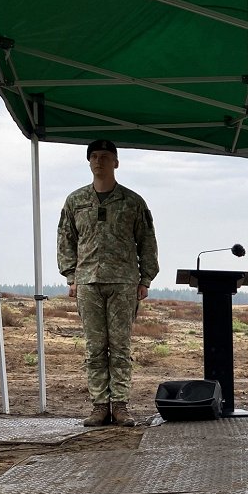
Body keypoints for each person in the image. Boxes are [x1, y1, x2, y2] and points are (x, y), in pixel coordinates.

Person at [57, 139, 159, 427]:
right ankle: (99, 405)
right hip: (88, 282)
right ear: (88, 162)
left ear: (116, 162)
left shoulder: (132, 202)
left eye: (105, 156)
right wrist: (71, 276)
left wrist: (145, 278)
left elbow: (147, 241)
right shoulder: (75, 201)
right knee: (95, 347)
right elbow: (66, 239)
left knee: (121, 346)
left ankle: (121, 405)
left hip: (124, 282)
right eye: (94, 157)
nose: (99, 161)